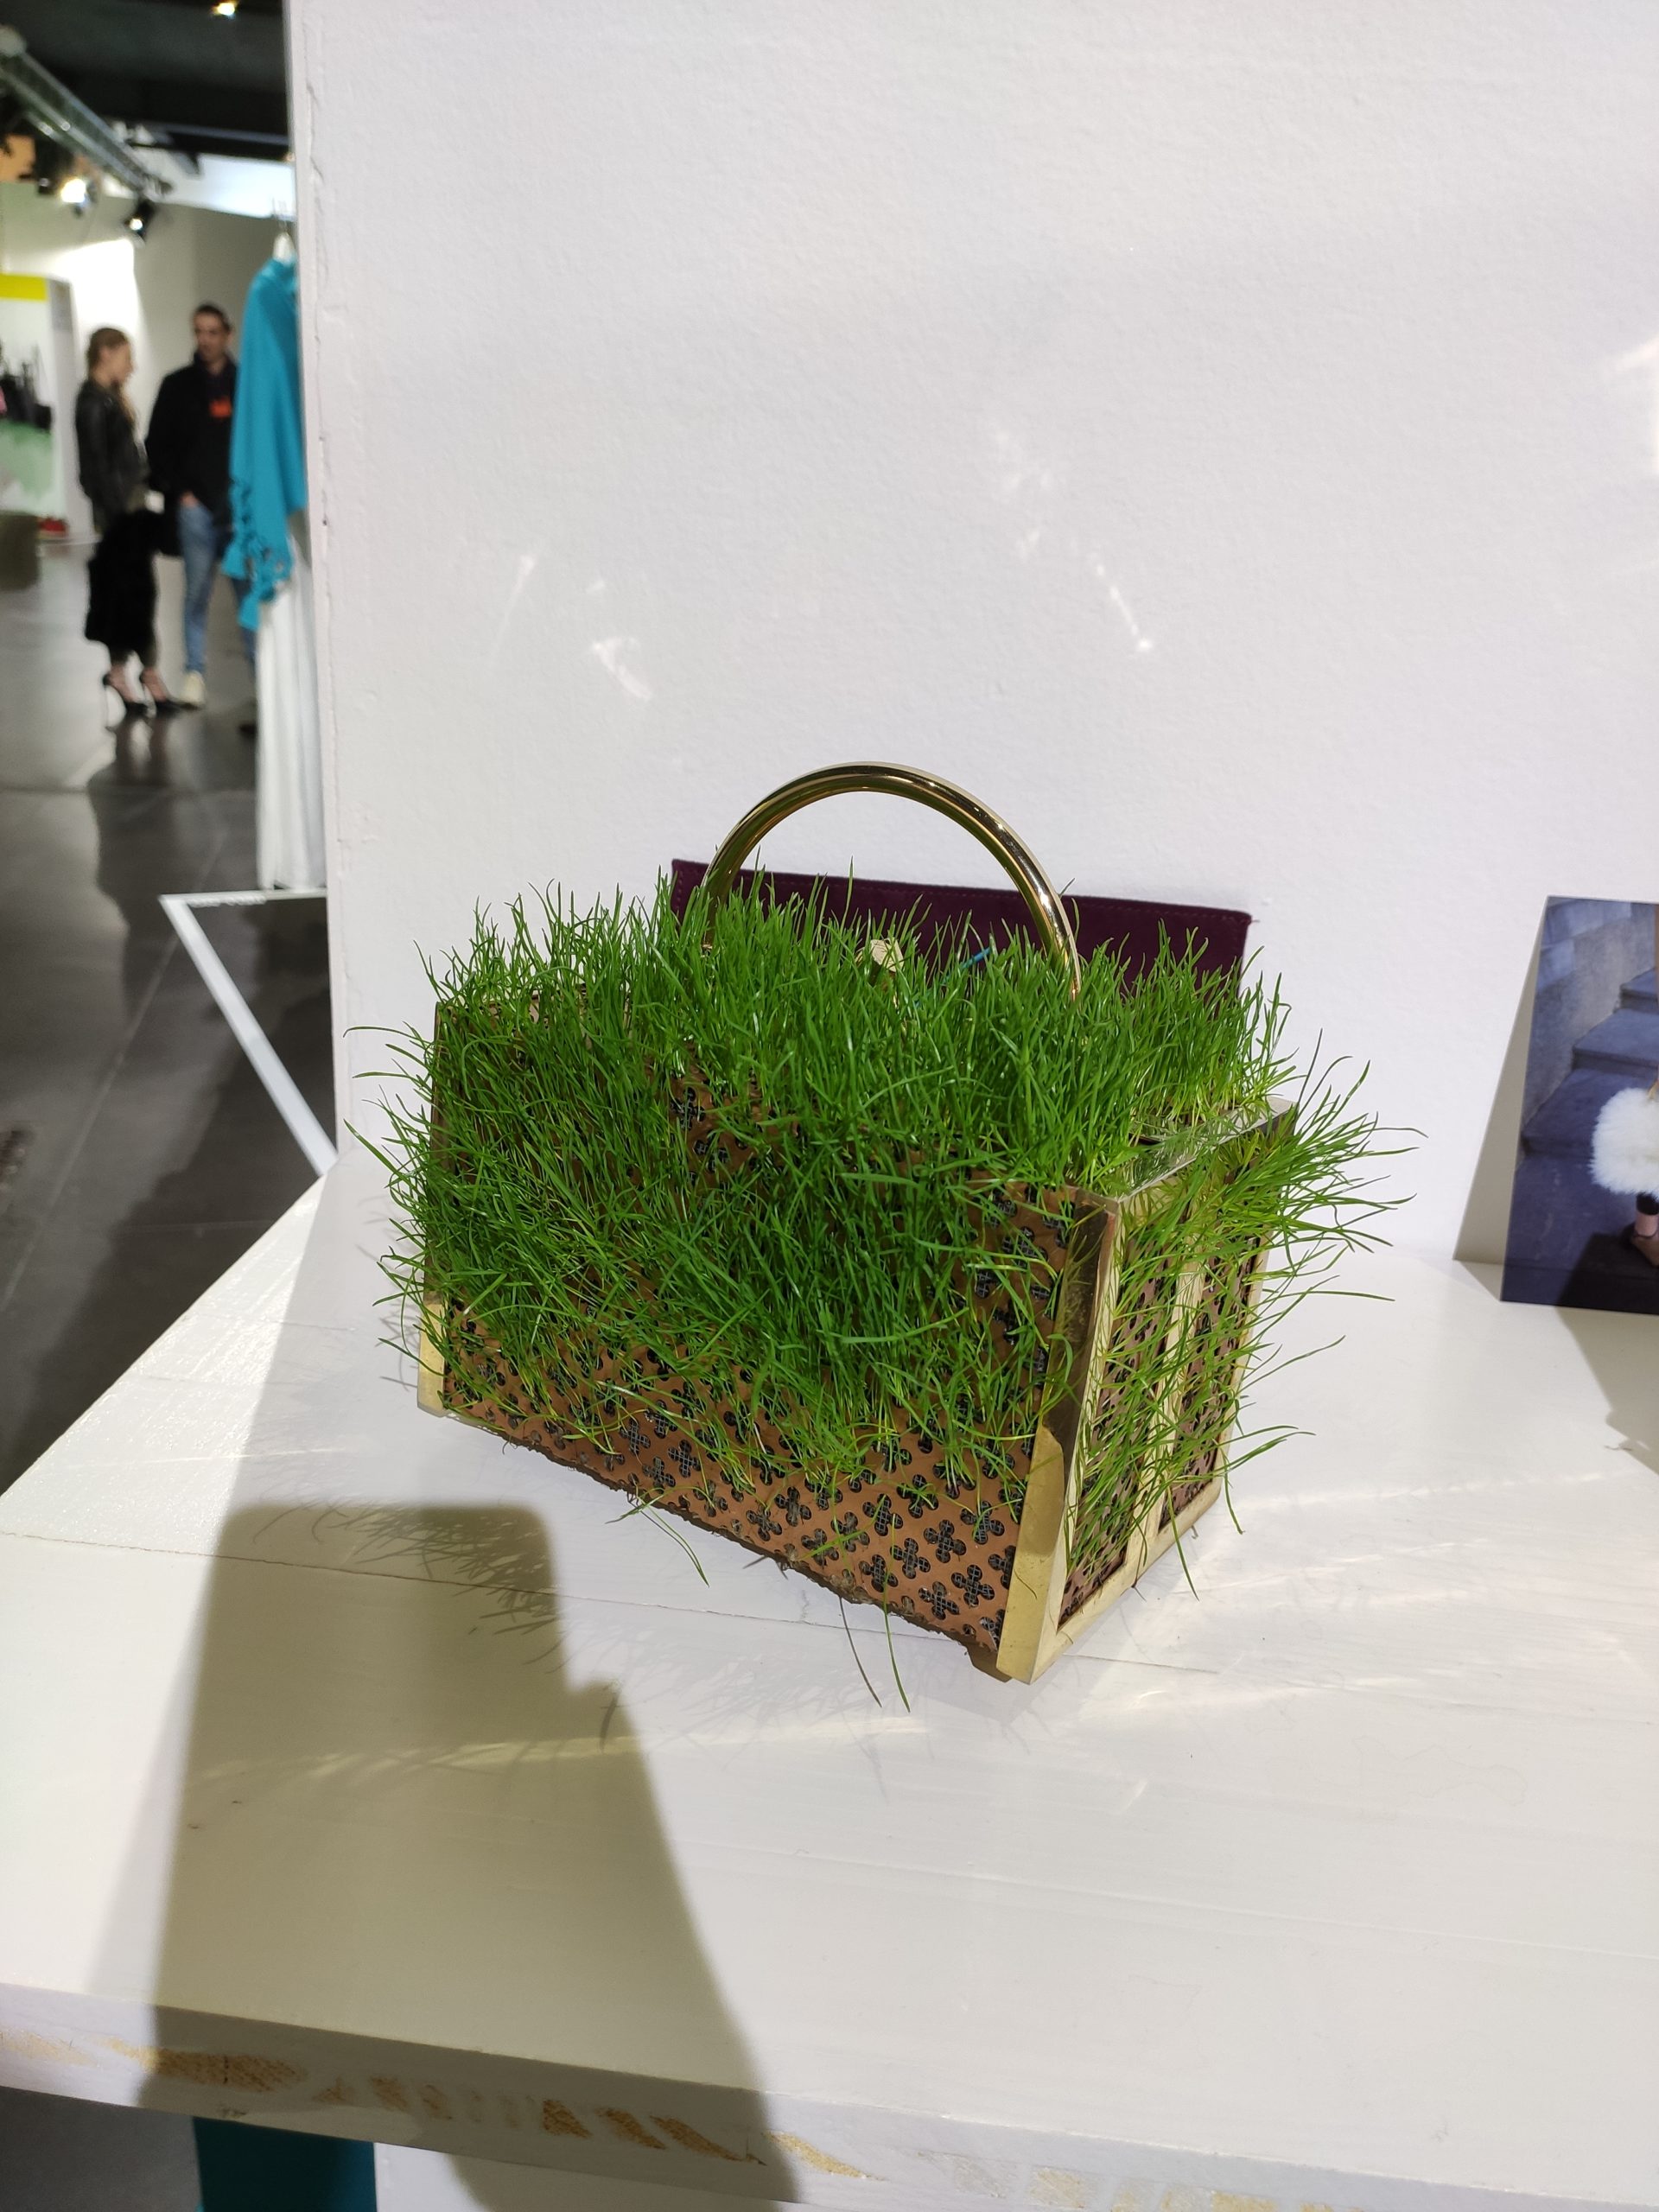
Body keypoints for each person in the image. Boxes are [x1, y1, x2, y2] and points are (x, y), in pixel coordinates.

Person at [73, 327, 180, 718]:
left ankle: (126, 674)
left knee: (128, 597)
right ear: (105, 354)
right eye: (126, 357)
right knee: (132, 595)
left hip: (127, 514)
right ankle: (144, 674)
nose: (132, 366)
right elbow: (94, 470)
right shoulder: (93, 404)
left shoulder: (107, 399)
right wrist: (117, 515)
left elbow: (116, 463)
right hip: (120, 519)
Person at [146, 302, 248, 710]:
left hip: (238, 508)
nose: (205, 340)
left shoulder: (245, 384)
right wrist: (180, 491)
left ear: (227, 334)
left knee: (247, 596)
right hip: (195, 508)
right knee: (197, 592)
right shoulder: (177, 386)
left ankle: (262, 683)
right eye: (199, 331)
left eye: (212, 332)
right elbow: (157, 444)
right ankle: (194, 674)